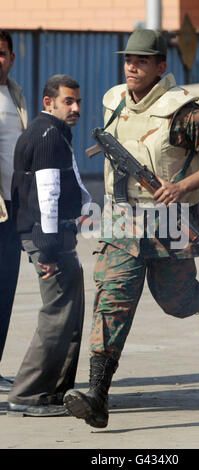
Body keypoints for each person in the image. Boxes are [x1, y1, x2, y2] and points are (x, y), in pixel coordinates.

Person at [64, 29, 199, 428]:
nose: (132, 66)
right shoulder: (113, 101)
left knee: (176, 302)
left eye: (141, 61)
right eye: (128, 59)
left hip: (171, 221)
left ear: (161, 66)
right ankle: (97, 396)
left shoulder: (187, 113)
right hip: (122, 220)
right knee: (112, 301)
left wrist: (182, 187)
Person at [8, 74, 91, 416]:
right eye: (67, 102)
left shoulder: (52, 133)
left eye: (78, 102)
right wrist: (48, 250)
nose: (75, 108)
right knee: (57, 315)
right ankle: (28, 394)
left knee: (70, 311)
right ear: (48, 103)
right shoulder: (47, 136)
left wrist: (84, 205)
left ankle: (56, 391)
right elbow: (47, 196)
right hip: (48, 239)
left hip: (54, 237)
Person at [0, 30, 28, 392]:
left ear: (11, 57)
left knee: (5, 291)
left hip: (11, 208)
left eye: (1, 53)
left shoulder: (16, 94)